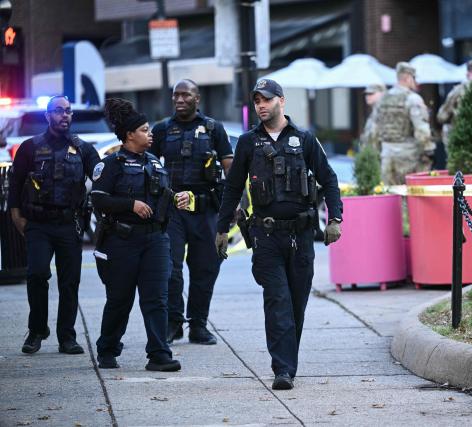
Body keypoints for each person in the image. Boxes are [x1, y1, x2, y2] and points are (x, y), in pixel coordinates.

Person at [214, 78, 343, 390]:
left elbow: (328, 179)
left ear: (281, 102)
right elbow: (232, 188)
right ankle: (282, 369)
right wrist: (221, 228)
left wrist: (335, 218)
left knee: (296, 304)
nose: (261, 105)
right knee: (278, 301)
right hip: (266, 237)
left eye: (267, 100)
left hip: (301, 237)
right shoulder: (247, 142)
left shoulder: (305, 139)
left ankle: (287, 362)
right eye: (257, 100)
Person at [91, 98, 189, 371]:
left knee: (157, 298)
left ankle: (159, 354)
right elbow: (98, 198)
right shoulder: (112, 164)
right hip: (122, 241)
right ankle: (108, 349)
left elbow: (162, 196)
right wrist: (129, 204)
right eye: (145, 130)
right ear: (130, 135)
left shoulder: (155, 162)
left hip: (156, 239)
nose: (150, 134)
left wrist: (177, 198)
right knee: (120, 299)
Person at [8, 95, 100, 355]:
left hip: (69, 224)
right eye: (59, 111)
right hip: (38, 224)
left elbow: (101, 175)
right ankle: (37, 330)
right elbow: (15, 186)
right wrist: (16, 215)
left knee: (69, 281)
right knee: (37, 274)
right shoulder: (30, 147)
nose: (65, 115)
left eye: (68, 111)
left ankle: (67, 337)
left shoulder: (83, 148)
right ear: (48, 116)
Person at [150, 79, 233, 345]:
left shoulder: (213, 129)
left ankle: (198, 324)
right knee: (170, 268)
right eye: (176, 95)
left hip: (206, 208)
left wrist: (233, 206)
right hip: (173, 208)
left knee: (205, 268)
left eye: (186, 95)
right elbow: (148, 164)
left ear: (197, 98)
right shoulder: (162, 129)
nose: (179, 99)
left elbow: (231, 169)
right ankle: (174, 323)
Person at [369, 62, 435, 185]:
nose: (415, 81)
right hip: (408, 156)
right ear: (408, 77)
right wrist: (428, 150)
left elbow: (374, 130)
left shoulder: (383, 98)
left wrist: (377, 151)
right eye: (414, 78)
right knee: (408, 195)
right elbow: (422, 130)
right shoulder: (413, 98)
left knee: (389, 194)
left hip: (387, 155)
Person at [360, 83, 386, 151]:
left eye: (371, 93)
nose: (367, 96)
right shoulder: (374, 112)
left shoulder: (385, 111)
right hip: (371, 154)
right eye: (366, 94)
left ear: (382, 94)